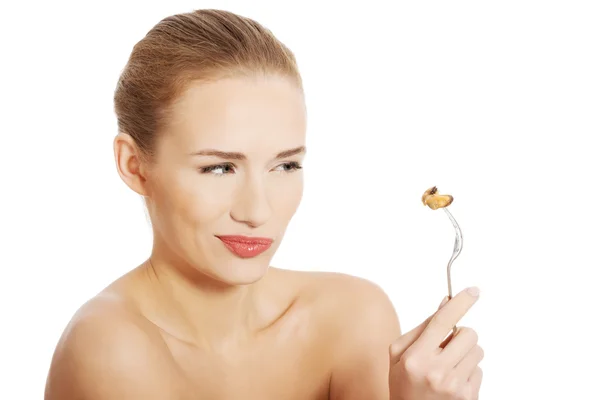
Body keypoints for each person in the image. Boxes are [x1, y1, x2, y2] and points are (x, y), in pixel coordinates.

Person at [44, 9, 483, 400]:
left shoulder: (352, 317)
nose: (257, 211)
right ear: (135, 166)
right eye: (219, 168)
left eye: (285, 165)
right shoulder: (108, 350)